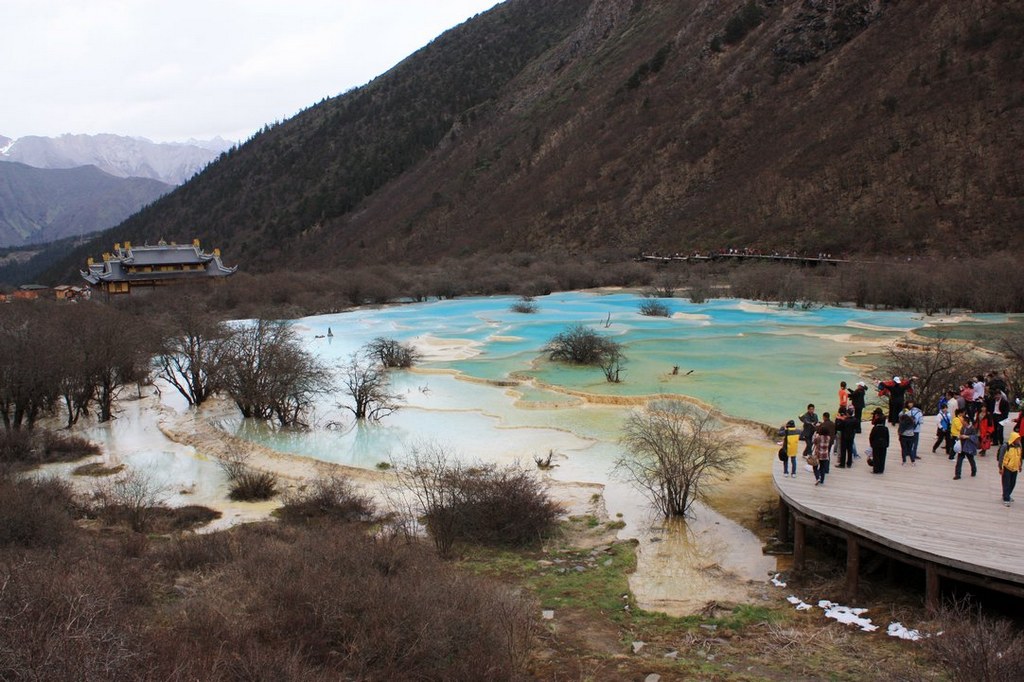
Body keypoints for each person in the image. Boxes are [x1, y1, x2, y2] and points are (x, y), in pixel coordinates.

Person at [999, 432, 1022, 507]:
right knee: (1006, 483)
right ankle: (1006, 498)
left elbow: (1020, 457)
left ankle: (1007, 494)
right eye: (1017, 439)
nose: (1018, 440)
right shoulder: (1006, 446)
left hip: (1015, 468)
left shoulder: (1019, 446)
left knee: (1013, 483)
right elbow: (1001, 457)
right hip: (1007, 467)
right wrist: (1000, 467)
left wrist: (1020, 465)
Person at [868, 408, 890, 474]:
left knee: (876, 457)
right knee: (882, 457)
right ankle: (881, 469)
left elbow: (871, 437)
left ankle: (876, 470)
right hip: (883, 444)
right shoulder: (885, 428)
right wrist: (887, 444)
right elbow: (887, 437)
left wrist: (871, 444)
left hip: (876, 444)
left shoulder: (875, 428)